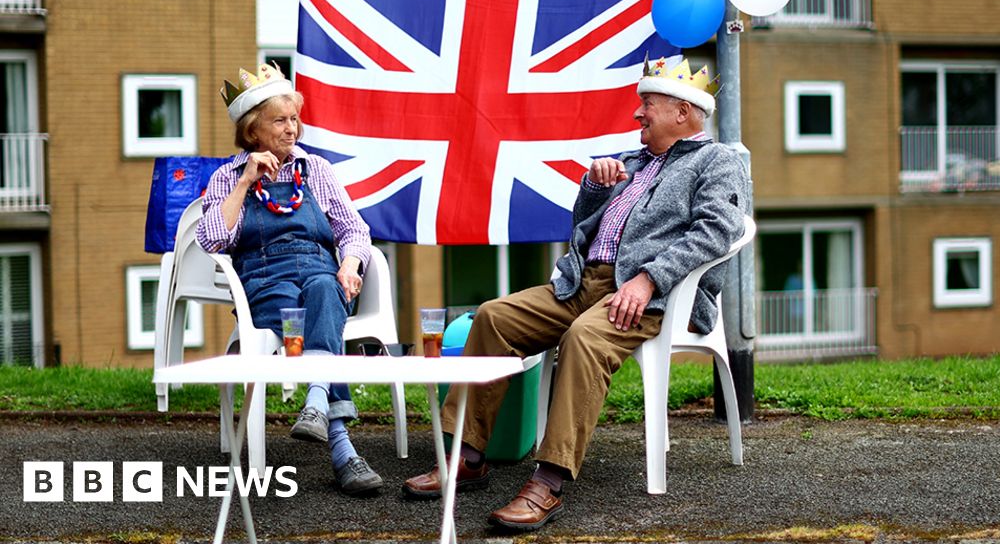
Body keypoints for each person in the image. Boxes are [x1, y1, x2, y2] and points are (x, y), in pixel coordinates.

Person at [402, 55, 749, 530]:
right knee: (493, 318)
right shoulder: (631, 162)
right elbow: (584, 227)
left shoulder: (718, 161)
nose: (637, 114)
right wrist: (593, 186)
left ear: (683, 113)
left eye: (647, 103)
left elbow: (717, 231)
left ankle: (548, 482)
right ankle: (467, 455)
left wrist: (649, 279)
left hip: (650, 293)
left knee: (583, 340)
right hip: (579, 283)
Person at [196, 63, 383, 495]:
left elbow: (354, 230)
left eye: (294, 118)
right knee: (293, 305)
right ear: (252, 132)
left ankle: (316, 401)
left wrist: (350, 265)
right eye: (279, 120)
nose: (291, 129)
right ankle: (341, 445)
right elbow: (212, 240)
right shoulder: (227, 177)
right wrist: (245, 182)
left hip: (320, 269)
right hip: (264, 277)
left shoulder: (315, 169)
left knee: (323, 291)